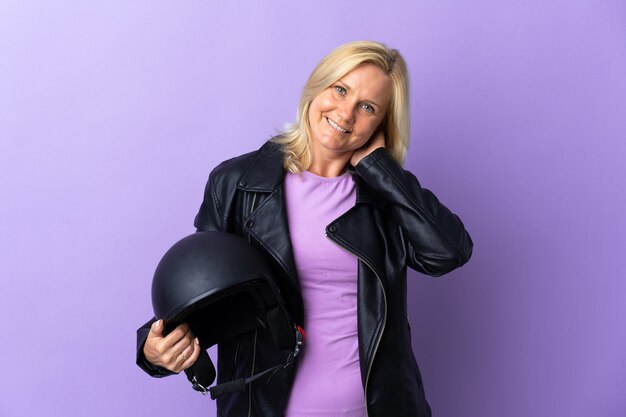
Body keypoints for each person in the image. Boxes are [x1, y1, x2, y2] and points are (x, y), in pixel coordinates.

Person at [136, 40, 473, 417]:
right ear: (318, 86)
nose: (346, 114)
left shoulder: (385, 197)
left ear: (381, 123)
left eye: (367, 107)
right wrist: (153, 350)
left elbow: (448, 253)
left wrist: (382, 169)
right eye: (340, 90)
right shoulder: (238, 183)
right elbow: (200, 292)